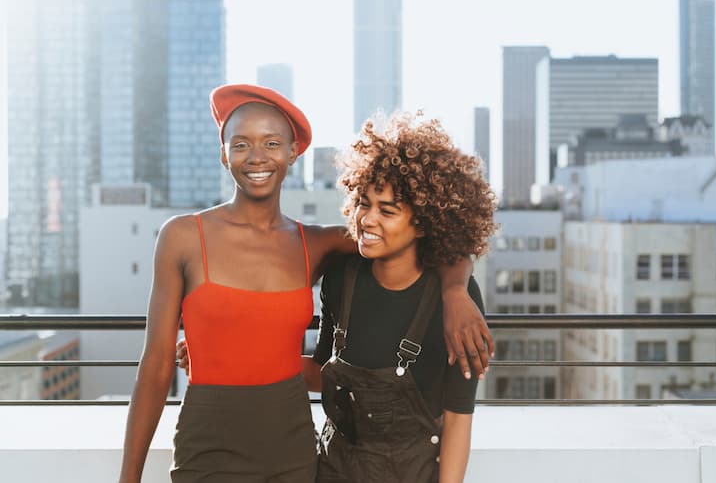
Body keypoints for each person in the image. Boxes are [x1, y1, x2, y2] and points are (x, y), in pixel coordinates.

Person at [118, 84, 493, 483]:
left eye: (272, 142)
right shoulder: (181, 236)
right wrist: (129, 478)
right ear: (223, 153)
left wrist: (455, 292)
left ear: (292, 152)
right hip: (208, 444)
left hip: (293, 451)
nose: (257, 156)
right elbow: (156, 367)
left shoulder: (316, 244)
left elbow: (434, 238)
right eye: (241, 144)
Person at [305, 112, 497, 482]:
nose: (367, 219)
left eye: (387, 210)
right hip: (332, 471)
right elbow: (321, 369)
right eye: (363, 203)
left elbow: (458, 418)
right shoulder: (341, 276)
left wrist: (456, 290)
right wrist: (231, 360)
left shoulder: (455, 300)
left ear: (424, 222)